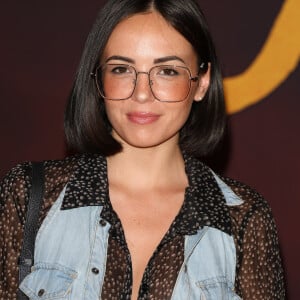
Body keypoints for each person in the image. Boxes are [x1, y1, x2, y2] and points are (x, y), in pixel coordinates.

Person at [0, 0, 286, 299]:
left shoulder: (243, 219)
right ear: (97, 78)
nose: (141, 93)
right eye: (122, 69)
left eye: (167, 71)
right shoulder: (30, 195)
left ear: (201, 82)